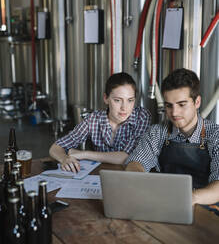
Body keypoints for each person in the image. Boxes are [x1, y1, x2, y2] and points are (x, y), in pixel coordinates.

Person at [125, 68, 219, 206]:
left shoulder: (215, 136)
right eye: (169, 106)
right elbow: (135, 163)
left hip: (206, 209)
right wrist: (136, 177)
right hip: (164, 204)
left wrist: (189, 198)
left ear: (197, 102)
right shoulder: (157, 132)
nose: (174, 113)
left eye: (182, 104)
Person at [49, 72, 151, 172]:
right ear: (106, 98)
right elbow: (56, 147)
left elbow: (127, 157)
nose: (124, 108)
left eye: (130, 100)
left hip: (129, 179)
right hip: (100, 178)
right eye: (117, 100)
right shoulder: (94, 120)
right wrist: (64, 159)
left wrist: (84, 154)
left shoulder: (141, 117)